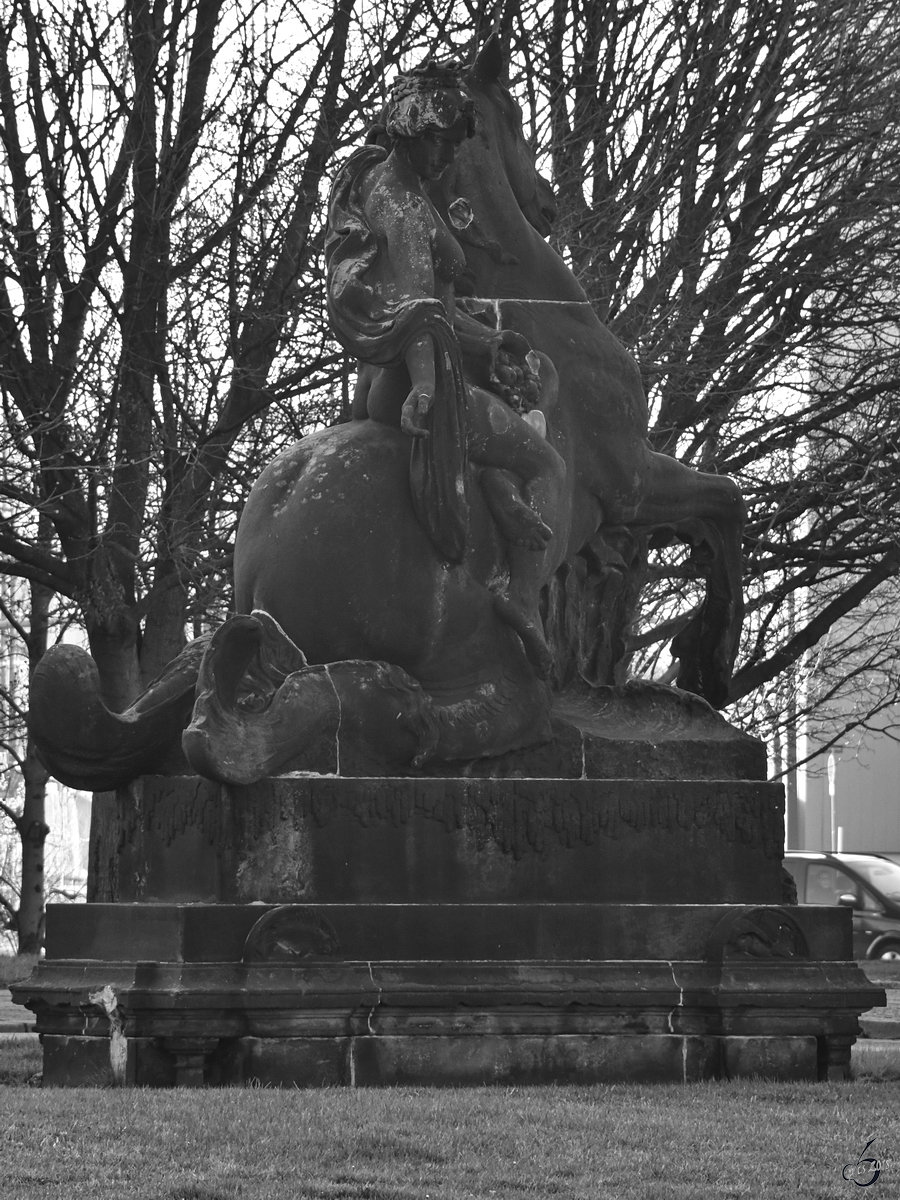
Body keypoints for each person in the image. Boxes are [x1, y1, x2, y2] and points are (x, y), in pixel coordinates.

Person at [325, 60, 565, 676]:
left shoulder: (384, 185)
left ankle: (494, 484)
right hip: (416, 378)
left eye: (454, 142)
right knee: (545, 458)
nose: (445, 155)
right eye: (439, 140)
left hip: (407, 368)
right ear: (410, 132)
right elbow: (418, 306)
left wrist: (489, 342)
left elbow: (436, 308)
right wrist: (430, 387)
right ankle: (521, 597)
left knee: (522, 383)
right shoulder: (403, 203)